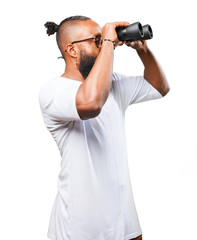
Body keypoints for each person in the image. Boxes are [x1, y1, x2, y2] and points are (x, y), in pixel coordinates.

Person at [39, 15, 170, 240]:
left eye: (103, 39)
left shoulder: (113, 83)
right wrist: (109, 43)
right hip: (79, 227)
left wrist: (142, 50)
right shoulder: (54, 91)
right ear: (71, 50)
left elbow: (159, 87)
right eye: (96, 40)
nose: (103, 44)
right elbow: (91, 103)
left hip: (124, 220)